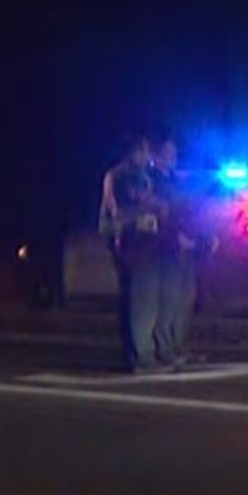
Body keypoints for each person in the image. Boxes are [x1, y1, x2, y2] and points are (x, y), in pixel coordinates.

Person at [99, 133, 165, 372]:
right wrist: (133, 222)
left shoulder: (142, 176)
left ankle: (136, 353)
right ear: (134, 152)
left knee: (139, 300)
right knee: (138, 301)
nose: (148, 156)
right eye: (144, 151)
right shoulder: (118, 176)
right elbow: (117, 210)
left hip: (141, 242)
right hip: (128, 242)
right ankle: (139, 356)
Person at [145, 131, 205, 368]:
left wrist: (198, 238)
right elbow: (160, 216)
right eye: (168, 153)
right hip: (165, 248)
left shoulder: (174, 181)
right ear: (156, 156)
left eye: (175, 153)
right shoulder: (153, 181)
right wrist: (176, 237)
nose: (173, 158)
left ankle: (178, 345)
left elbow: (186, 212)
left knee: (184, 299)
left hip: (184, 247)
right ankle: (164, 349)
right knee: (168, 302)